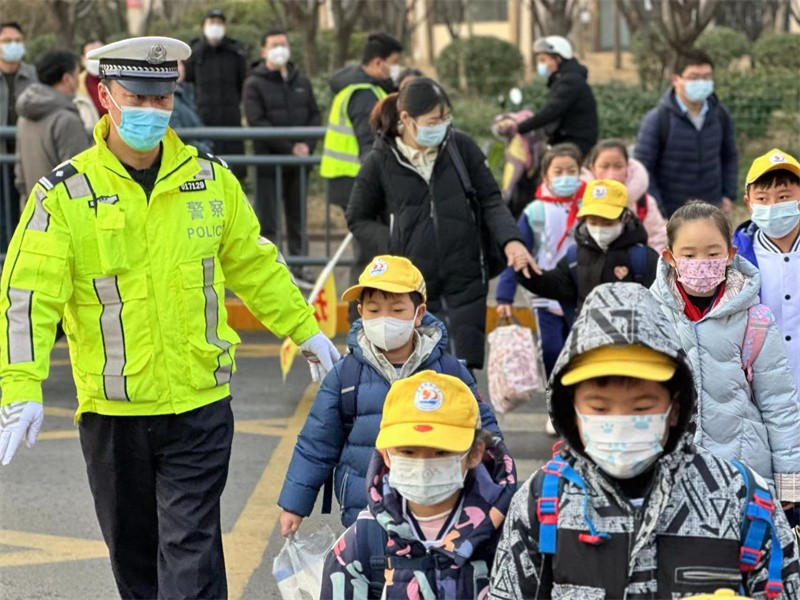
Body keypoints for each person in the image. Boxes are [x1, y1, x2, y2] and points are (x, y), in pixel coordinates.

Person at [0, 36, 340, 600]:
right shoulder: (64, 195)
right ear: (106, 96)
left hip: (199, 405)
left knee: (190, 555)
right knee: (135, 562)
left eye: (162, 99)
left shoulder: (210, 179)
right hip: (114, 414)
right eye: (137, 97)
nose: (152, 111)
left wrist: (303, 329)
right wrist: (21, 385)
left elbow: (255, 264)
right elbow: (27, 297)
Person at [488, 281, 800, 599]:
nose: (620, 423)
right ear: (572, 411)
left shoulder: (742, 499)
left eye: (642, 407)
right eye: (599, 408)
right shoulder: (543, 501)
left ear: (675, 408)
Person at [278, 255, 503, 531]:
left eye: (397, 310)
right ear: (360, 312)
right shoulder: (346, 375)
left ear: (418, 314)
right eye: (373, 310)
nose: (384, 320)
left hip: (437, 510)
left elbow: (485, 434)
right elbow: (316, 443)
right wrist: (294, 505)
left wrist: (500, 490)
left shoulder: (449, 372)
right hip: (364, 514)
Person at [347, 77, 536, 370]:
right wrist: (396, 244)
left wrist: (511, 240)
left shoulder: (462, 148)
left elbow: (491, 200)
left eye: (446, 117)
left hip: (466, 281)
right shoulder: (381, 160)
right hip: (412, 289)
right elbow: (358, 217)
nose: (442, 125)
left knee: (462, 373)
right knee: (419, 378)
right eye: (433, 120)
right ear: (406, 119)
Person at [650, 200, 800, 508]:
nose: (701, 262)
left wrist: (790, 484)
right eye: (689, 255)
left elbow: (779, 403)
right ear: (670, 257)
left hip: (743, 476)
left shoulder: (755, 320)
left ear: (730, 255)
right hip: (668, 478)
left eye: (712, 253)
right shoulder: (650, 315)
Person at [321, 370, 517, 599]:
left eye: (441, 451)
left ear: (474, 454)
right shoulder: (363, 542)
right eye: (408, 451)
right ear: (386, 455)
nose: (424, 465)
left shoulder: (510, 533)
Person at [320, 32, 403, 318]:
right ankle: (360, 318)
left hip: (350, 180)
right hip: (357, 182)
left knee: (368, 252)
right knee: (369, 255)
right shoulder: (364, 94)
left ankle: (365, 315)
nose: (396, 68)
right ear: (378, 62)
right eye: (394, 62)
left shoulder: (365, 89)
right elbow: (370, 145)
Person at [496, 143, 584, 378]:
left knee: (579, 350)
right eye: (558, 172)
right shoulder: (534, 211)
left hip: (580, 292)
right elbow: (518, 252)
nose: (565, 177)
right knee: (551, 349)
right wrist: (504, 295)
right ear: (545, 176)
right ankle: (552, 394)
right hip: (545, 291)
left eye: (571, 171)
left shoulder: (589, 208)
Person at [243, 27, 321, 287]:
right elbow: (257, 121)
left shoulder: (301, 82)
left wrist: (306, 145)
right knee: (269, 221)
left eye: (283, 44)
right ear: (263, 51)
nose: (280, 50)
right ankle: (272, 273)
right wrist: (289, 148)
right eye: (274, 45)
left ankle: (301, 268)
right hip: (269, 162)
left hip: (299, 165)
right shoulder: (254, 83)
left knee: (298, 218)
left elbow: (314, 115)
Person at [515, 178, 659, 315]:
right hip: (586, 332)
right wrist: (526, 271)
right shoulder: (575, 256)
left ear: (625, 217)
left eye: (607, 223)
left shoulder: (643, 258)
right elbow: (556, 285)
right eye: (593, 222)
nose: (599, 229)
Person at [634, 49, 738, 217]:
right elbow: (643, 171)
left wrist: (728, 193)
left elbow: (729, 155)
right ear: (676, 80)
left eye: (707, 77)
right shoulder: (658, 119)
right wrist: (659, 212)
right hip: (673, 213)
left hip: (712, 210)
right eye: (694, 77)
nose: (702, 83)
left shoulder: (720, 114)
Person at [734, 149, 800, 395]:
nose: (773, 206)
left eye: (784, 196)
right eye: (762, 198)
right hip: (761, 393)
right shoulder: (737, 260)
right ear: (749, 204)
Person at [497, 36, 598, 157]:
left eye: (543, 60)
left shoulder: (570, 82)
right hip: (566, 140)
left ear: (558, 59)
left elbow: (552, 111)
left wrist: (519, 127)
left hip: (574, 144)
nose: (541, 65)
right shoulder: (563, 79)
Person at [14, 50, 92, 197]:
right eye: (77, 74)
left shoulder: (24, 117)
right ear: (67, 78)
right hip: (61, 207)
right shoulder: (67, 120)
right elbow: (78, 177)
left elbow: (20, 174)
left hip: (33, 204)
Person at [185, 8, 247, 179]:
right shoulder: (195, 54)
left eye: (219, 23)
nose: (215, 26)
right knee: (206, 174)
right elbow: (188, 84)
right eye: (211, 22)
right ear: (203, 26)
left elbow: (242, 83)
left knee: (234, 175)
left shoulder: (235, 53)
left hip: (231, 121)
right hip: (203, 122)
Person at [584, 138, 667, 252]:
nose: (611, 175)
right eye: (604, 166)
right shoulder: (580, 199)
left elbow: (657, 239)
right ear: (592, 168)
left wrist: (645, 261)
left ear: (628, 167)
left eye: (618, 166)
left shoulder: (643, 202)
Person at [0, 21, 37, 247]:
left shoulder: (33, 74)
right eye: (7, 41)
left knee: (27, 212)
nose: (13, 45)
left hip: (26, 157)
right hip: (2, 157)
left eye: (17, 41)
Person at [169, 60, 213, 155]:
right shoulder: (168, 98)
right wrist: (204, 149)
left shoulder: (189, 93)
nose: (178, 68)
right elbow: (176, 133)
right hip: (188, 153)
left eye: (180, 64)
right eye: (174, 64)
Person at [77, 38, 106, 121]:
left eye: (100, 54)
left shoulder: (120, 80)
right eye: (91, 56)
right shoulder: (76, 84)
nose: (96, 60)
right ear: (82, 60)